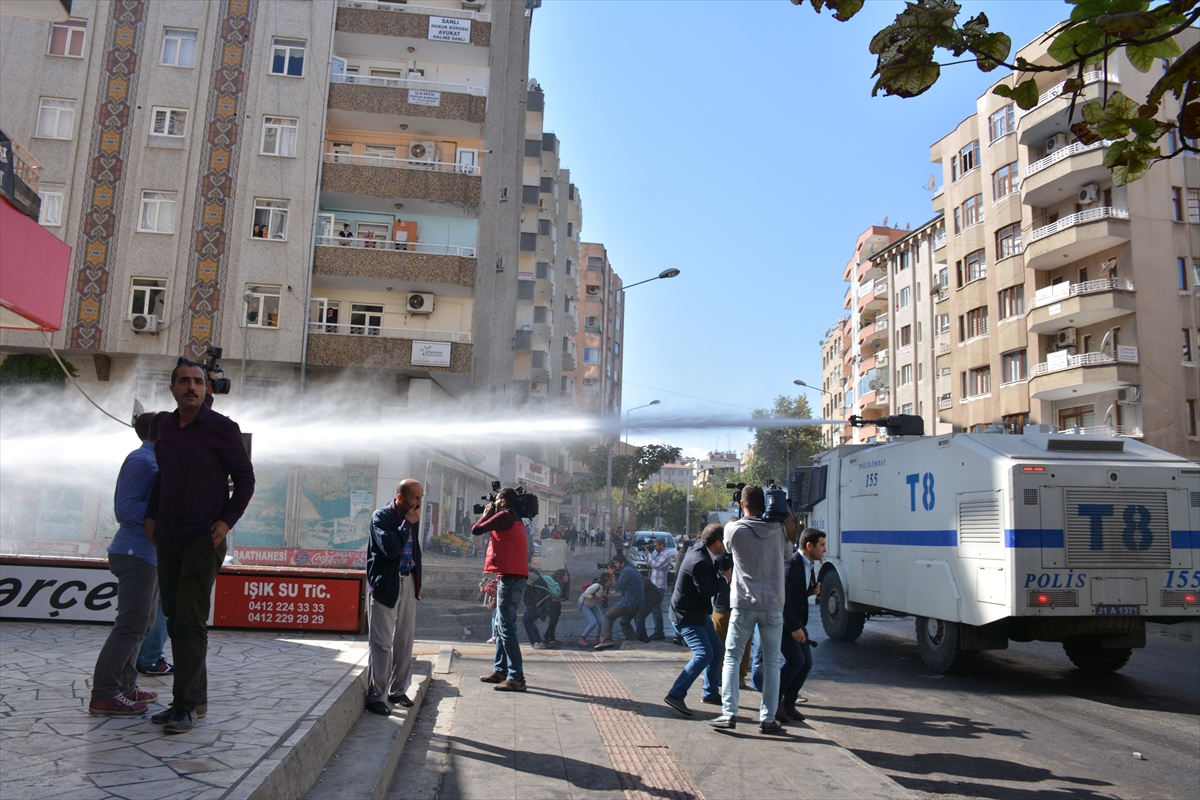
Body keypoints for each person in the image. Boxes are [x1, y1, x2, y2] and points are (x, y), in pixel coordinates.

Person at [145, 361, 255, 734]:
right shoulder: (165, 426)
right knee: (175, 617)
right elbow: (163, 475)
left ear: (207, 388)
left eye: (198, 381)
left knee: (190, 621)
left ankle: (185, 706)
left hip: (202, 538)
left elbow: (245, 480)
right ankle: (196, 699)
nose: (191, 387)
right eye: (184, 381)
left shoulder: (222, 428)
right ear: (172, 388)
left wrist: (225, 523)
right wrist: (151, 516)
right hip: (168, 536)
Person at [88, 413, 167, 716]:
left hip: (148, 554)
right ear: (161, 433)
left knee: (142, 625)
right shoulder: (141, 461)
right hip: (135, 553)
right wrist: (166, 509)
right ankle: (104, 694)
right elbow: (126, 508)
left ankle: (126, 685)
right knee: (130, 626)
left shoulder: (153, 460)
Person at [710, 485, 790, 735]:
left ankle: (729, 713)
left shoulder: (733, 529)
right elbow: (787, 553)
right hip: (773, 605)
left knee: (732, 658)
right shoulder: (779, 530)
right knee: (772, 662)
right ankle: (768, 718)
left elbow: (728, 549)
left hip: (743, 604)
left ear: (742, 504)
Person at [364, 480, 424, 715]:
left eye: (421, 497)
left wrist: (417, 583)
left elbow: (414, 550)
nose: (419, 502)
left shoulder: (413, 518)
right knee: (381, 643)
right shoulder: (382, 517)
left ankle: (397, 690)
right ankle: (376, 695)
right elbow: (390, 549)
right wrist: (407, 523)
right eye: (415, 497)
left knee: (404, 640)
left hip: (408, 580)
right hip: (386, 584)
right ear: (400, 498)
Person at [663, 524, 728, 717]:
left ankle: (710, 693)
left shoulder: (700, 548)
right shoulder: (699, 561)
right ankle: (675, 694)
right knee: (704, 653)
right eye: (725, 541)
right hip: (686, 616)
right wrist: (725, 579)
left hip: (697, 612)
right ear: (717, 543)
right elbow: (707, 591)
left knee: (716, 649)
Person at [471, 489, 529, 692]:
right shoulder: (513, 517)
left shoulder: (505, 516)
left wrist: (485, 515)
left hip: (510, 580)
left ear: (503, 502)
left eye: (496, 501)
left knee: (506, 628)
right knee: (500, 626)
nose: (494, 504)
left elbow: (477, 530)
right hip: (512, 577)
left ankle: (516, 677)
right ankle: (500, 670)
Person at [778, 528, 825, 722]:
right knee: (795, 660)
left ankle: (789, 704)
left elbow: (797, 593)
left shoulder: (809, 565)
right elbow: (783, 599)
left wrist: (810, 591)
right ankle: (774, 703)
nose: (825, 549)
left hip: (797, 621)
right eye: (822, 545)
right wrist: (794, 628)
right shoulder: (791, 564)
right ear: (809, 546)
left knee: (806, 663)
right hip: (785, 623)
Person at [710, 549, 751, 687]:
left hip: (723, 606)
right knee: (743, 643)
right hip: (745, 605)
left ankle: (718, 675)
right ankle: (740, 677)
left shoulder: (721, 557)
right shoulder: (748, 554)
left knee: (718, 642)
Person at [594, 553, 642, 650]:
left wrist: (612, 574)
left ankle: (606, 640)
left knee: (608, 616)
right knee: (624, 622)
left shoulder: (626, 571)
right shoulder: (630, 568)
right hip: (638, 602)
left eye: (616, 563)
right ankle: (633, 641)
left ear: (622, 563)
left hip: (629, 601)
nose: (614, 565)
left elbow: (617, 586)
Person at [523, 568, 569, 649]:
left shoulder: (530, 575)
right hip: (542, 601)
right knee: (528, 620)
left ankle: (537, 641)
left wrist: (528, 603)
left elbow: (527, 591)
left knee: (527, 620)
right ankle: (536, 641)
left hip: (539, 601)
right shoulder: (534, 574)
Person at [645, 537, 674, 641]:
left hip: (659, 586)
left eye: (656, 546)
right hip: (653, 585)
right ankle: (657, 631)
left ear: (662, 545)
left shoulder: (666, 555)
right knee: (654, 609)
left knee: (656, 609)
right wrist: (648, 555)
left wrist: (649, 555)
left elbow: (655, 565)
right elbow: (649, 564)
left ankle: (659, 632)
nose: (655, 548)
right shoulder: (657, 554)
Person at [577, 571, 611, 647]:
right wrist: (597, 598)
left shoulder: (605, 588)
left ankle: (598, 638)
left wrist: (603, 601)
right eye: (610, 580)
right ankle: (583, 638)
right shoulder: (596, 586)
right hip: (583, 604)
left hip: (593, 604)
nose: (611, 582)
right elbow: (585, 594)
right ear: (605, 581)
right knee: (593, 622)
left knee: (602, 621)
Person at [633, 573, 664, 642]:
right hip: (647, 595)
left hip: (652, 595)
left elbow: (646, 582)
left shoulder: (628, 573)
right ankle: (642, 635)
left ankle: (640, 636)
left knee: (640, 615)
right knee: (637, 614)